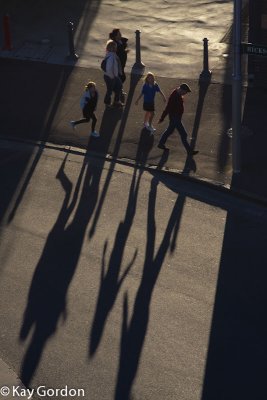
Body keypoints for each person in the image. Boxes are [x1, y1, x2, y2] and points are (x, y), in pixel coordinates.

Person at [157, 83, 199, 156]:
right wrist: (162, 118)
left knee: (169, 131)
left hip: (176, 117)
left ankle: (161, 144)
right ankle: (189, 151)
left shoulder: (178, 94)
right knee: (184, 134)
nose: (186, 93)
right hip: (175, 118)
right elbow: (167, 108)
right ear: (181, 89)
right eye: (185, 92)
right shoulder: (174, 96)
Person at [102, 39, 124, 108]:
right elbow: (109, 68)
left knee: (119, 86)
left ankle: (116, 101)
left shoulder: (111, 55)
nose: (116, 48)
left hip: (113, 75)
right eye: (115, 47)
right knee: (110, 90)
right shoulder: (111, 56)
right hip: (110, 76)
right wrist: (112, 76)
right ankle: (107, 103)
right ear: (112, 48)